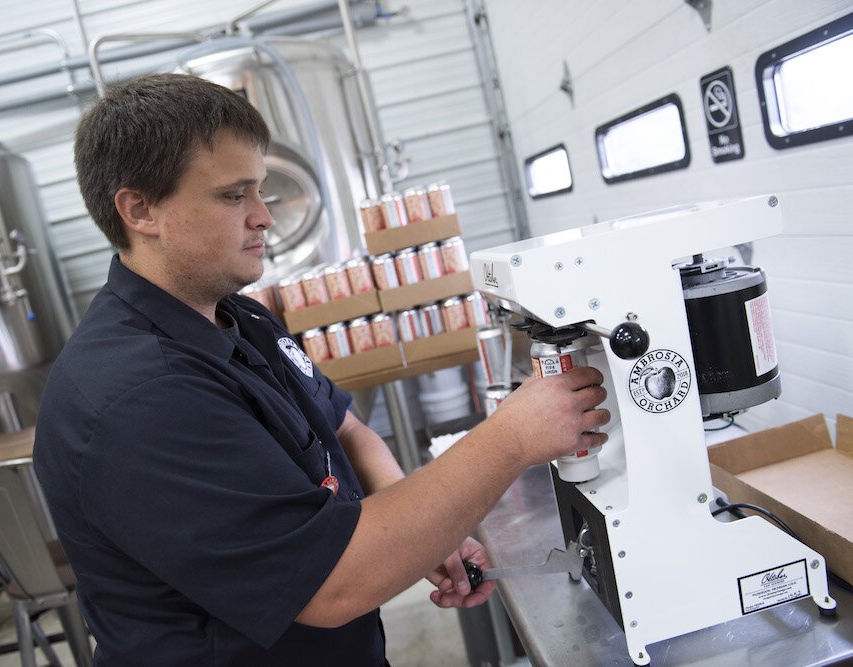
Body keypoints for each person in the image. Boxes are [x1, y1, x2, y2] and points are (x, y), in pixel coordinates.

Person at [32, 72, 610, 666]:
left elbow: (344, 430)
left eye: (260, 190)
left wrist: (426, 533)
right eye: (235, 196)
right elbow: (331, 586)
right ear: (140, 209)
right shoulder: (141, 397)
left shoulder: (238, 317)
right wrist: (512, 438)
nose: (264, 216)